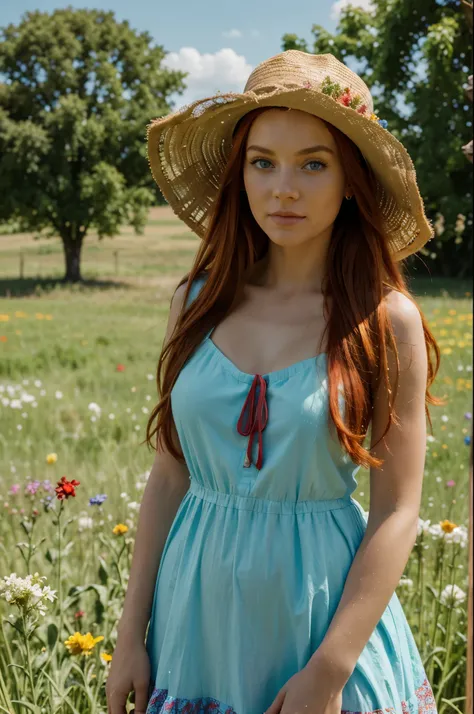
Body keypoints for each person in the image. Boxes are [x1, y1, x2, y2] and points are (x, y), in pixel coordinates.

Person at [106, 50, 442, 714]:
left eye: (313, 164)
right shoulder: (198, 303)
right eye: (263, 162)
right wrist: (128, 633)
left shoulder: (385, 320)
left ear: (351, 179)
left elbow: (397, 510)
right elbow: (171, 473)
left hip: (321, 624)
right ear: (241, 175)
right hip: (194, 620)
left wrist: (332, 668)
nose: (283, 188)